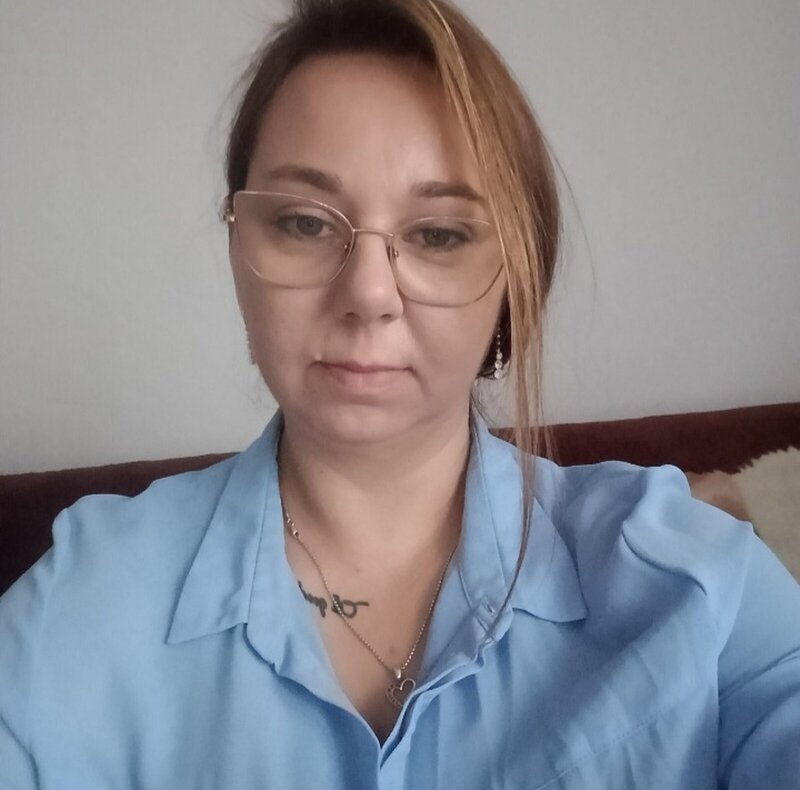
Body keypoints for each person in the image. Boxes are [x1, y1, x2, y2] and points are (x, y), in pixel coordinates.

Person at [1, 0, 798, 787]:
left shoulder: (698, 588)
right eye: (305, 223)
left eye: (439, 234)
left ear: (513, 280)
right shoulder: (79, 606)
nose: (368, 293)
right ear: (239, 246)